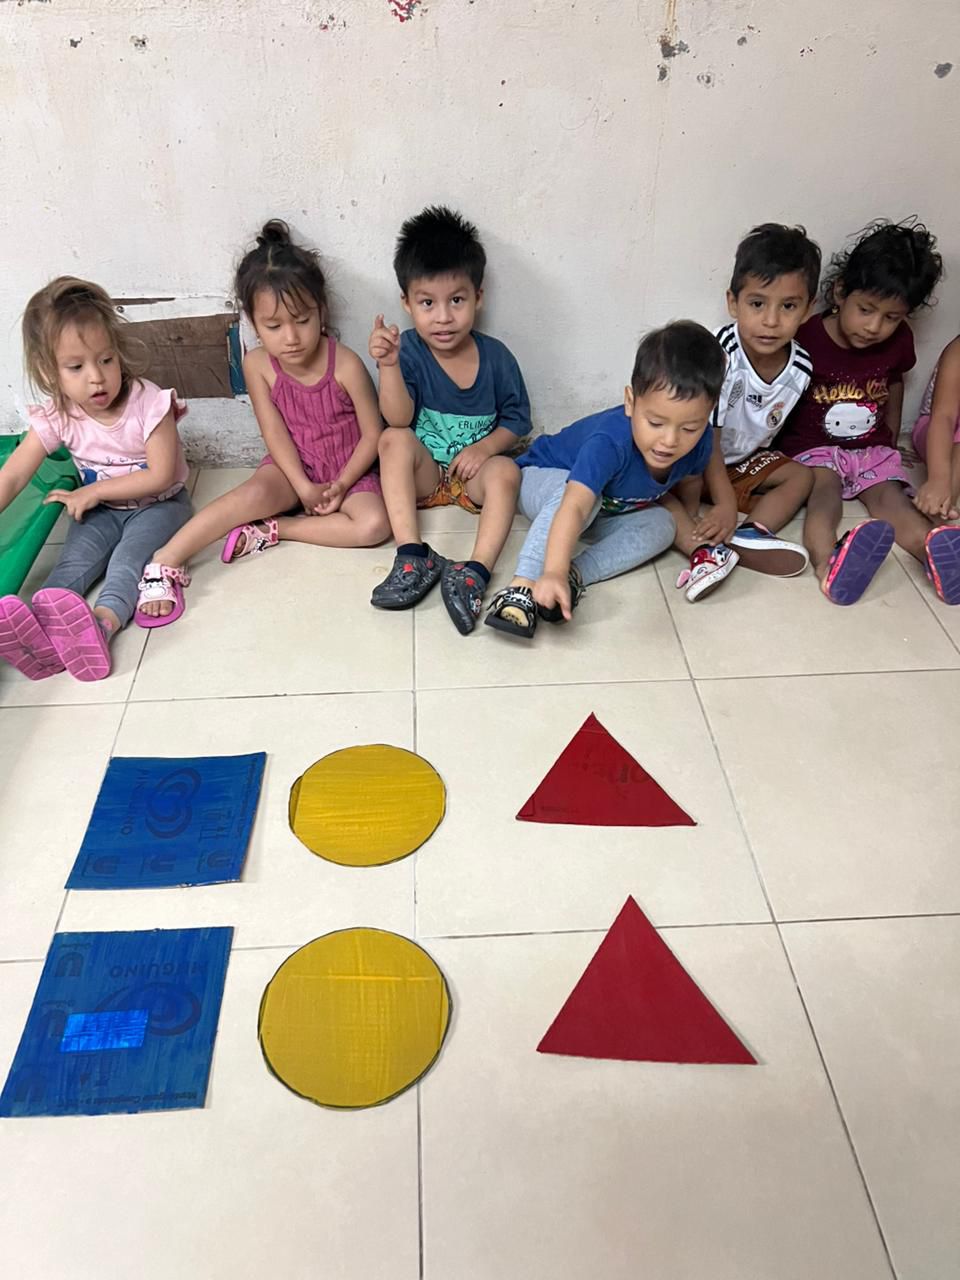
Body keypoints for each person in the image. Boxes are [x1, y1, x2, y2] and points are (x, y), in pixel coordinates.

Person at [136, 220, 388, 624]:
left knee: (374, 526)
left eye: (302, 320)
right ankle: (164, 561)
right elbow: (274, 432)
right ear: (254, 324)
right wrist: (302, 486)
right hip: (291, 469)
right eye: (274, 326)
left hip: (350, 471)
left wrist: (340, 485)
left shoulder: (346, 363)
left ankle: (274, 529)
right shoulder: (257, 365)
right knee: (246, 497)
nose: (291, 337)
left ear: (321, 311)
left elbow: (373, 434)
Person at [484, 320, 728, 639]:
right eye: (655, 423)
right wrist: (551, 568)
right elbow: (574, 506)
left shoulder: (702, 442)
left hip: (603, 509)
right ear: (630, 402)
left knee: (662, 524)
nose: (670, 441)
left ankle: (574, 576)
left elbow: (690, 482)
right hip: (540, 481)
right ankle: (524, 585)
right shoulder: (609, 443)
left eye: (689, 428)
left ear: (708, 415)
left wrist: (692, 525)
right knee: (585, 499)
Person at [0, 277, 192, 682]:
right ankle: (42, 636)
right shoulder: (58, 414)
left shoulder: (149, 402)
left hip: (159, 507)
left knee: (126, 562)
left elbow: (161, 476)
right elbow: (15, 473)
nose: (96, 377)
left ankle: (102, 626)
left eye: (105, 360)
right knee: (72, 564)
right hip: (101, 510)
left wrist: (94, 491)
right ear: (49, 371)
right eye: (76, 367)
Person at [776, 219, 960, 605]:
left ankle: (934, 555)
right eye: (866, 309)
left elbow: (894, 382)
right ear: (841, 292)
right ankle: (828, 563)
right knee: (824, 494)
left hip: (869, 449)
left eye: (891, 317)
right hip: (813, 449)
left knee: (892, 499)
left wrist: (890, 437)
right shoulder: (807, 337)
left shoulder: (899, 342)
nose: (874, 326)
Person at [368, 206, 527, 634]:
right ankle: (413, 557)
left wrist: (485, 448)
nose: (443, 317)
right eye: (427, 303)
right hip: (425, 476)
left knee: (507, 471)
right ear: (407, 303)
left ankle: (476, 571)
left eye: (456, 300)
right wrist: (388, 366)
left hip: (473, 476)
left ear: (478, 296)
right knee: (392, 440)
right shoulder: (409, 352)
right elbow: (398, 419)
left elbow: (517, 420)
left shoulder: (497, 358)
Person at [678, 223, 820, 576]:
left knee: (802, 477)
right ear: (733, 302)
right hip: (695, 455)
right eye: (757, 303)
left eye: (788, 306)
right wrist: (726, 502)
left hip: (738, 463)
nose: (771, 321)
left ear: (807, 310)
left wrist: (733, 490)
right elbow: (708, 438)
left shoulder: (801, 368)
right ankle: (698, 527)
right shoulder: (720, 354)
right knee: (677, 482)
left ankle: (750, 533)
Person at [911, 335, 960, 523]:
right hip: (937, 430)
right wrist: (938, 480)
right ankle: (943, 507)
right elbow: (944, 417)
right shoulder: (957, 351)